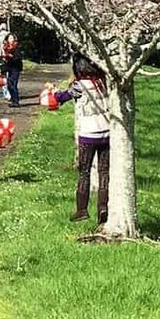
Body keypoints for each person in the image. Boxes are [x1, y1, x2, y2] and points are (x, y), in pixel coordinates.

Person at [54, 55, 111, 225]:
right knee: (104, 172)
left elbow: (61, 98)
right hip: (106, 132)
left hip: (88, 134)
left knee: (84, 172)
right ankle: (103, 207)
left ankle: (82, 210)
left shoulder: (78, 86)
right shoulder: (103, 82)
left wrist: (54, 91)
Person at [3, 32, 23, 107]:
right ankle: (13, 99)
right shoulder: (5, 47)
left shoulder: (17, 47)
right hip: (9, 67)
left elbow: (18, 57)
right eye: (9, 38)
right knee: (9, 84)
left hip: (16, 67)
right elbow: (5, 59)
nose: (11, 40)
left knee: (13, 84)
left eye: (12, 38)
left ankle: (16, 100)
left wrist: (11, 57)